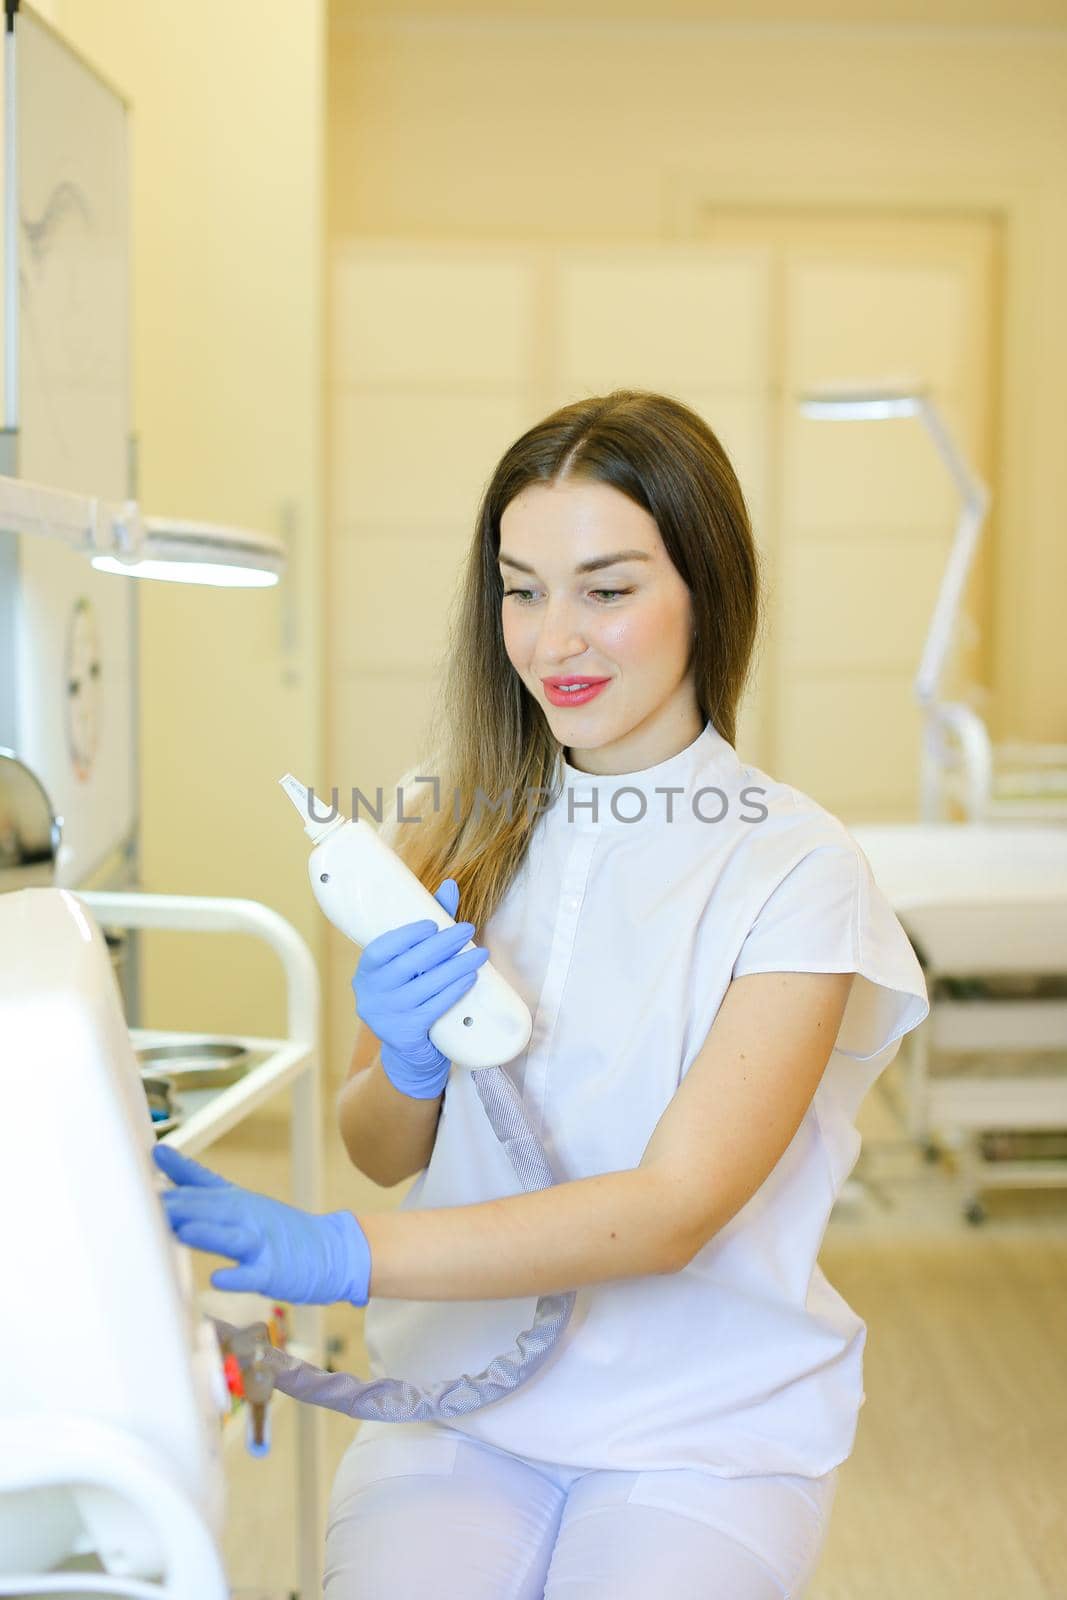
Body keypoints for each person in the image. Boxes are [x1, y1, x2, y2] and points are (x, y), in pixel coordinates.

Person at [156, 391, 930, 1599]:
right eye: (521, 589)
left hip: (704, 1431)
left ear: (703, 592)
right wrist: (406, 1062)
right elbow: (374, 1142)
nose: (552, 638)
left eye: (606, 590)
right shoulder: (446, 816)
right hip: (457, 1408)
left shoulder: (795, 868)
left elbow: (672, 1208)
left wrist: (337, 1253)